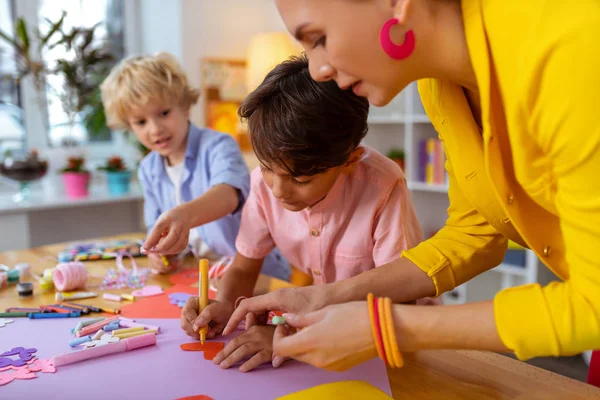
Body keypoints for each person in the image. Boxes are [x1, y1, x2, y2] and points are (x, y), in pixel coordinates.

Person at [223, 0, 600, 370]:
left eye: (318, 38)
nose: (318, 70)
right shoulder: (439, 88)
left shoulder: (568, 48)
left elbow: (593, 304)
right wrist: (325, 297)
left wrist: (385, 328)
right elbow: (474, 234)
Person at [179, 54, 423, 372]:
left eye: (301, 179)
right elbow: (243, 268)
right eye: (267, 168)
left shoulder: (384, 186)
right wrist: (225, 305)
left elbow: (401, 297)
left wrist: (297, 335)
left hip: (397, 341)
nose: (278, 190)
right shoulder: (263, 186)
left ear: (350, 160)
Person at [101, 52, 290, 280]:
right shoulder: (148, 169)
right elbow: (157, 229)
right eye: (141, 122)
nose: (155, 129)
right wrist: (162, 254)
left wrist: (184, 216)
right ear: (129, 126)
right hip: (200, 277)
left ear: (184, 106)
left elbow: (228, 195)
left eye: (163, 113)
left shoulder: (219, 145)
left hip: (257, 277)